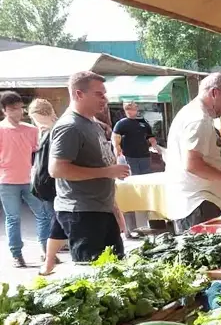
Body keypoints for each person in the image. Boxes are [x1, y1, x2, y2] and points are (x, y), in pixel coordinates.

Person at [48, 72, 130, 261]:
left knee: (116, 267)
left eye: (104, 94)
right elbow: (57, 169)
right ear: (79, 94)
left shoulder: (91, 123)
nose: (105, 99)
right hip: (82, 213)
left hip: (101, 209)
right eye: (99, 94)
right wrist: (107, 171)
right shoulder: (70, 126)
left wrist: (115, 209)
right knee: (92, 271)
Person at [165, 72, 221, 233]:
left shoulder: (194, 114)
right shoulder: (199, 119)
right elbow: (193, 164)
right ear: (214, 93)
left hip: (198, 201)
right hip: (198, 203)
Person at [0, 90, 50, 268]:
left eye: (20, 108)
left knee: (43, 214)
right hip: (6, 181)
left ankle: (46, 250)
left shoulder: (31, 130)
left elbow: (38, 153)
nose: (17, 112)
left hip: (29, 180)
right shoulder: (1, 130)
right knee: (13, 218)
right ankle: (17, 254)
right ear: (4, 110)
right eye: (13, 109)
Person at [28, 99, 66, 275]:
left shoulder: (54, 131)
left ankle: (49, 256)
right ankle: (49, 256)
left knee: (54, 218)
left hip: (50, 184)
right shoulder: (48, 131)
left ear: (41, 114)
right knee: (53, 218)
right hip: (47, 184)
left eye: (35, 117)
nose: (34, 121)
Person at [112, 101, 158, 235]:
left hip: (145, 156)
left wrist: (156, 147)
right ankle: (135, 221)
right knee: (133, 184)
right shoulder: (122, 124)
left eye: (133, 109)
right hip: (130, 157)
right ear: (125, 110)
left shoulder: (143, 123)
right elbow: (115, 139)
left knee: (147, 183)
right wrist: (117, 151)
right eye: (128, 109)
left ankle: (148, 215)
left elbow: (150, 137)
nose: (131, 111)